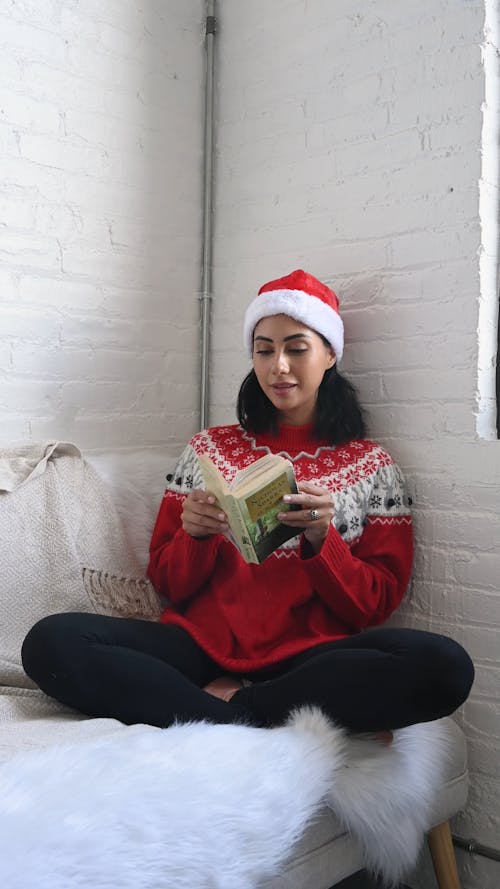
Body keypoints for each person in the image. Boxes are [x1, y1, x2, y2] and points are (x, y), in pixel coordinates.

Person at [22, 269, 474, 734]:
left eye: (296, 348)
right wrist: (195, 537)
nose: (278, 366)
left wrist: (324, 540)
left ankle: (242, 707)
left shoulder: (373, 466)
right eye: (264, 350)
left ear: (330, 354)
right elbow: (166, 580)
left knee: (444, 665)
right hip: (197, 648)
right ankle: (238, 718)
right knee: (50, 641)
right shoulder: (206, 450)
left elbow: (373, 605)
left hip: (308, 661)